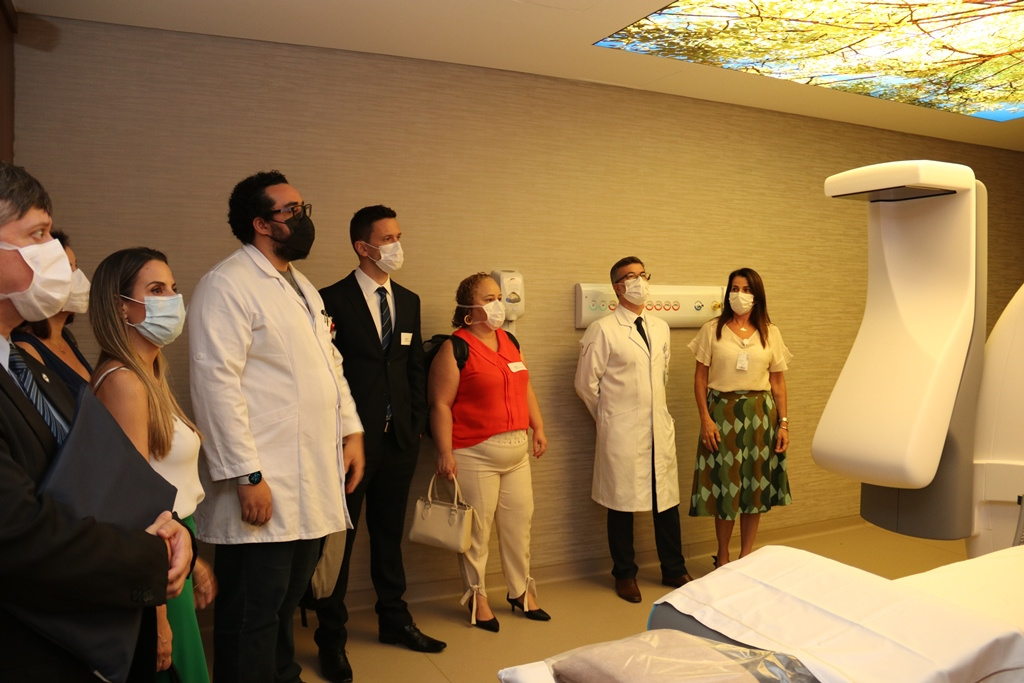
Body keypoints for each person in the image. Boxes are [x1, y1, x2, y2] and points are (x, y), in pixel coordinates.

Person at [0, 161, 193, 681]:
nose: (55, 253)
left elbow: (97, 477)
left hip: (78, 617)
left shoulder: (26, 363)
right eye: (38, 234)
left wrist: (169, 530)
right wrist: (150, 556)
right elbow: (17, 531)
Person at [189, 170, 365, 683]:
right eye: (291, 211)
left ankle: (282, 675)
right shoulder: (227, 285)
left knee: (286, 604)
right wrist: (246, 474)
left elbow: (330, 366)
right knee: (253, 612)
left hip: (310, 475)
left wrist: (351, 431)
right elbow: (215, 385)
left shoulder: (302, 287)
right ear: (260, 224)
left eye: (303, 208)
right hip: (262, 480)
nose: (303, 218)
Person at [315, 205, 444, 681]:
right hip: (351, 444)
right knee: (340, 542)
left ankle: (394, 619)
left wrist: (414, 423)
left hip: (399, 441)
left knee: (388, 535)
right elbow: (325, 373)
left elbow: (413, 367)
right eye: (387, 239)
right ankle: (331, 638)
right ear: (362, 246)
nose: (396, 246)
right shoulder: (330, 299)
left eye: (398, 236)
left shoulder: (408, 300)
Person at [89, 247, 217, 682]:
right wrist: (157, 610)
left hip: (174, 545)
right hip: (157, 552)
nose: (172, 300)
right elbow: (133, 504)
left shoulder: (150, 373)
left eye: (173, 289)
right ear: (121, 306)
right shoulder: (124, 381)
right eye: (156, 290)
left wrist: (193, 559)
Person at [429, 272, 550, 632]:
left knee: (518, 527)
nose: (499, 304)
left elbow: (526, 388)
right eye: (489, 298)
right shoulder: (455, 348)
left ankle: (520, 591)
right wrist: (444, 452)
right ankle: (477, 598)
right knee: (476, 535)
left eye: (500, 297)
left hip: (516, 454)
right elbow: (439, 404)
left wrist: (538, 427)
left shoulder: (510, 340)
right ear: (468, 307)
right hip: (473, 454)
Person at [574, 256, 692, 604]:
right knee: (621, 504)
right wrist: (609, 417)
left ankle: (674, 568)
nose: (639, 282)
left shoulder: (660, 327)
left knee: (665, 501)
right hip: (622, 431)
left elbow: (662, 375)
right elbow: (585, 384)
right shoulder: (603, 329)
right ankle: (624, 574)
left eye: (643, 275)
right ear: (618, 287)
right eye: (630, 276)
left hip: (658, 426)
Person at [688, 267, 792, 566]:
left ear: (757, 296)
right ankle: (722, 556)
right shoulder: (713, 330)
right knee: (726, 485)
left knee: (754, 488)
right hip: (722, 413)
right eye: (734, 289)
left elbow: (778, 382)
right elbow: (700, 378)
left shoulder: (770, 332)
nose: (740, 295)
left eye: (746, 290)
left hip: (760, 415)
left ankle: (746, 556)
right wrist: (705, 419)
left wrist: (783, 424)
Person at [12, 229, 93, 395]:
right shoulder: (26, 349)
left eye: (76, 267)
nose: (78, 277)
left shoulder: (66, 337)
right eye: (68, 268)